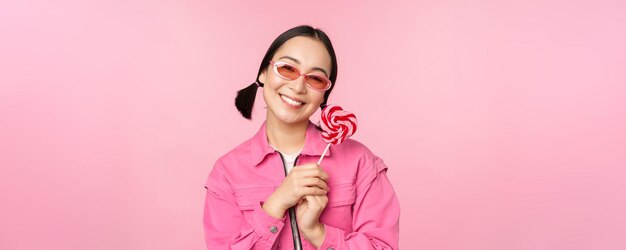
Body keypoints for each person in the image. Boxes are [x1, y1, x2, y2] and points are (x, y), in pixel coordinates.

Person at [203, 25, 400, 250]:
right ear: (263, 73)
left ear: (325, 92)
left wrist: (318, 233)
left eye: (315, 79)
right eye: (287, 68)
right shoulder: (227, 173)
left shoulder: (360, 163)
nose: (297, 87)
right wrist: (274, 207)